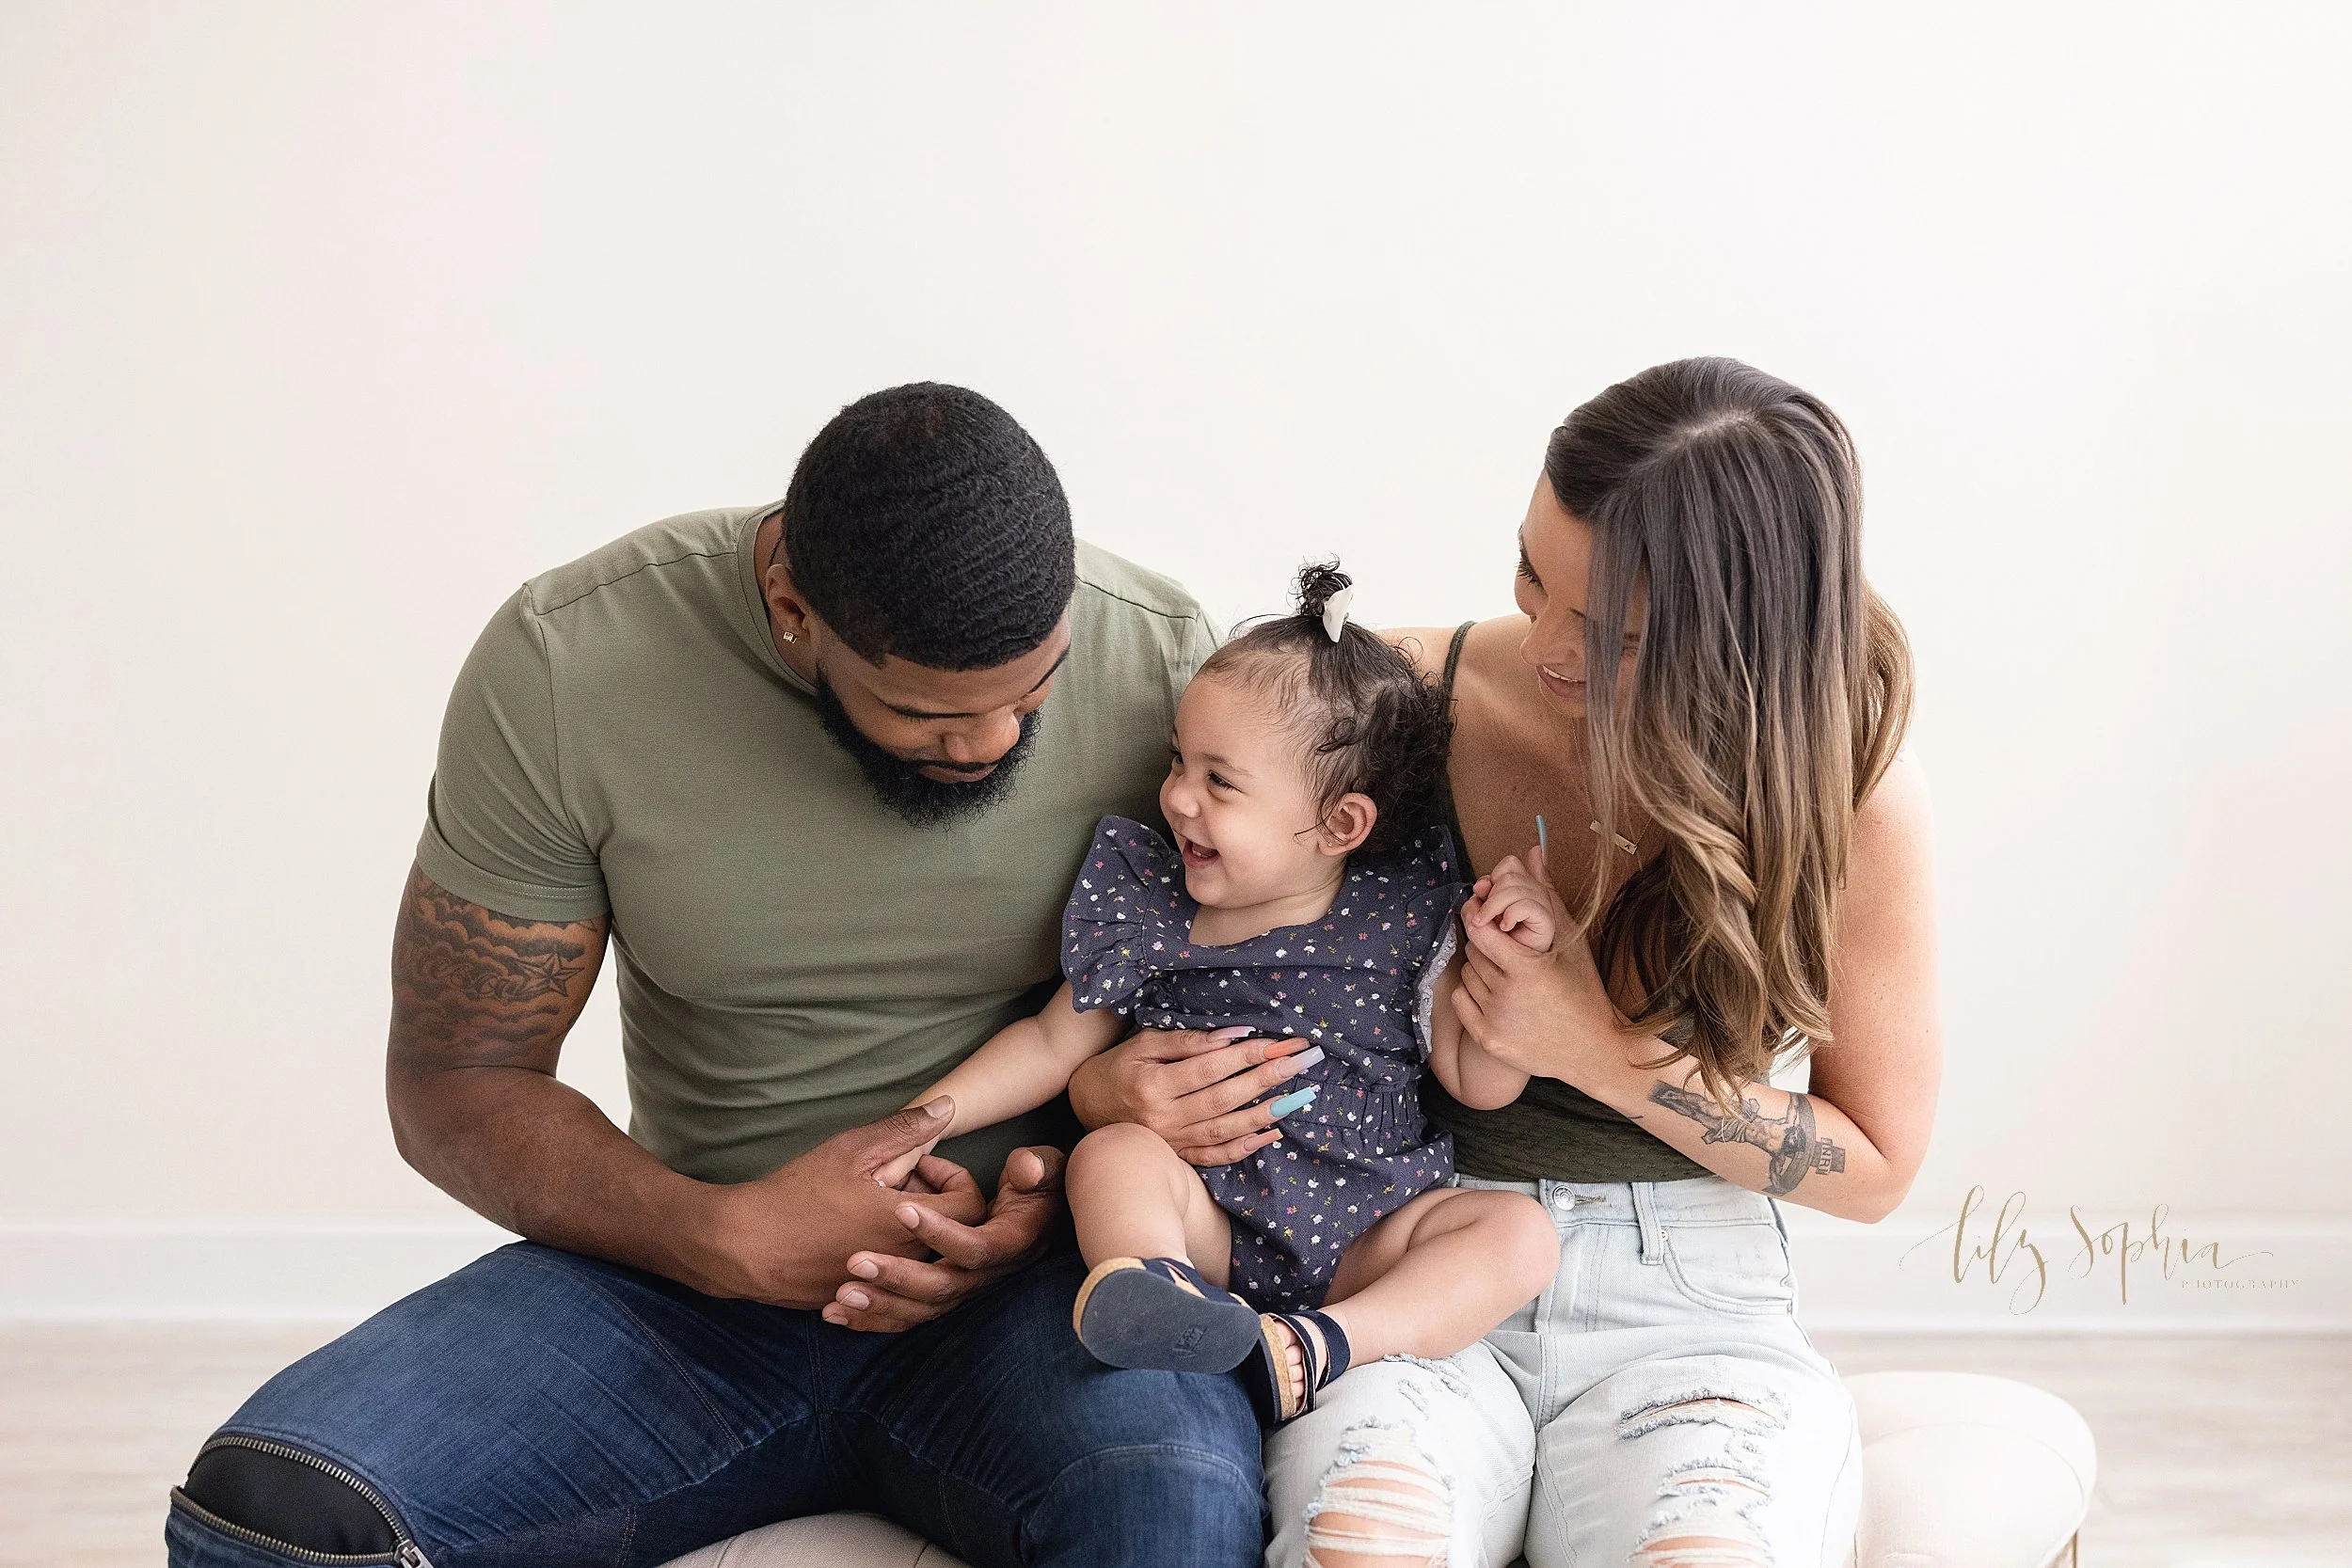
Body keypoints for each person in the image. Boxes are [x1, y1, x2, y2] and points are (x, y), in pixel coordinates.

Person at [165, 383, 1280, 1568]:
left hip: (1039, 1297)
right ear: (793, 610)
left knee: (1179, 1517)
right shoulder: (567, 663)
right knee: (271, 1515)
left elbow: (1266, 979)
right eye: (925, 711)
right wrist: (721, 1233)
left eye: (1034, 692)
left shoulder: (1160, 655)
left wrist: (1078, 1180)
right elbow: (455, 1078)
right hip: (679, 1296)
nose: (992, 740)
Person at [1074, 357, 1939, 1568]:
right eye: (1533, 575)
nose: (1545, 645)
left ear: (1741, 642)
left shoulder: (1845, 788)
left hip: (1685, 1303)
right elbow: (1187, 943)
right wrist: (1109, 1088)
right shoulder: (1394, 702)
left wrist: (1597, 1051)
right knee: (1362, 1543)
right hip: (1401, 1249)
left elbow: (1874, 1165)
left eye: (1614, 632)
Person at [884, 564, 1562, 1426]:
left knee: (1519, 1235)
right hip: (1210, 1227)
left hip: (1374, 1229)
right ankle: (1158, 1290)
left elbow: (1482, 1082)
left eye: (1220, 782)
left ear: (1340, 825)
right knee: (1111, 1157)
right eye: (1179, 760)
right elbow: (1053, 1043)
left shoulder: (1407, 914)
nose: (1176, 796)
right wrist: (921, 1121)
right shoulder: (1151, 903)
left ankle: (1320, 1344)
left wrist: (1517, 957)